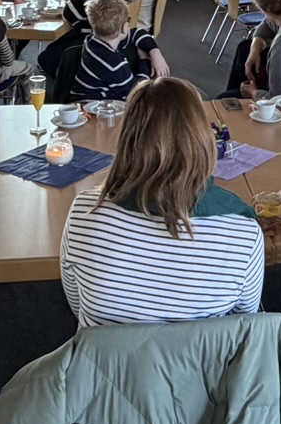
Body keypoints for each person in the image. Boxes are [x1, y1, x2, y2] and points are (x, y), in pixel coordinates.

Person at [58, 77, 264, 327]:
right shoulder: (243, 233)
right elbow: (244, 319)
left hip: (105, 353)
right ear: (202, 139)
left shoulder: (83, 213)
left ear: (127, 139)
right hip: (200, 353)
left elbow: (76, 303)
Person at [71, 0, 167, 100]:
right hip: (91, 105)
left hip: (89, 99)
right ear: (125, 28)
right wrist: (144, 60)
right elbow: (136, 91)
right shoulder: (112, 63)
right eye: (128, 21)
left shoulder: (92, 40)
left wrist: (155, 52)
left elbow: (137, 33)